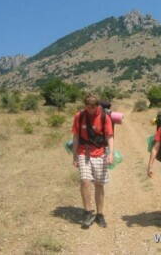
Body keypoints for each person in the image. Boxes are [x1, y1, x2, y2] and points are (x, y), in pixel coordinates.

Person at [72, 93, 114, 228]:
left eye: (93, 107)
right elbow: (76, 137)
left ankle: (100, 214)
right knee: (85, 181)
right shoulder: (79, 116)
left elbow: (109, 136)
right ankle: (88, 211)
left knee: (99, 185)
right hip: (84, 153)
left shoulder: (104, 117)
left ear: (97, 106)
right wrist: (74, 156)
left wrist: (111, 154)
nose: (90, 109)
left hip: (100, 153)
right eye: (87, 106)